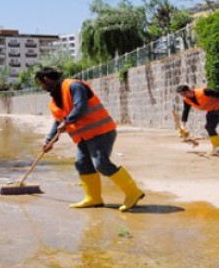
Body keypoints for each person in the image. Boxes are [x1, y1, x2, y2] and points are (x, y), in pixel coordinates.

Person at [35, 66, 144, 211]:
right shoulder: (54, 102)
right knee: (82, 163)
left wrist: (67, 122)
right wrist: (49, 141)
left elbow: (81, 106)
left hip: (101, 131)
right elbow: (58, 122)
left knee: (101, 163)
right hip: (84, 136)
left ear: (47, 79)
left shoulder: (74, 86)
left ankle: (133, 192)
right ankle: (93, 198)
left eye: (41, 83)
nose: (42, 87)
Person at [176, 84, 219, 154]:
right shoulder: (187, 100)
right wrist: (183, 126)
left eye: (184, 93)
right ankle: (217, 148)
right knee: (209, 127)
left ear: (189, 90)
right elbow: (186, 111)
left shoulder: (204, 92)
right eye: (181, 94)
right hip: (211, 110)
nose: (183, 95)